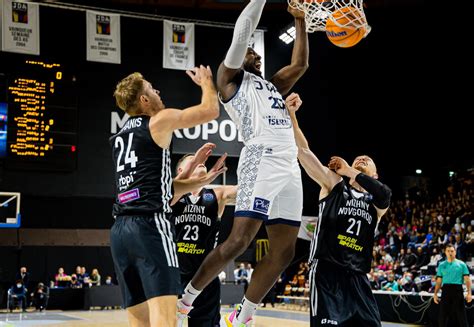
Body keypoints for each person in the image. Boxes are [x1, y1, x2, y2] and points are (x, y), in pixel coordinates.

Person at [177, 0, 309, 325]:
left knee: (284, 251)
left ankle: (244, 314)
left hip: (289, 163)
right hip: (260, 157)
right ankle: (185, 302)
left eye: (256, 52)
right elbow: (242, 33)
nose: (254, 52)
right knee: (238, 241)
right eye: (250, 51)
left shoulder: (272, 84)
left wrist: (301, 21)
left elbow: (301, 64)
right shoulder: (230, 81)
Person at [110, 66, 226, 327]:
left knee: (139, 322)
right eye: (152, 88)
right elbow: (211, 111)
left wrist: (198, 182)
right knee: (166, 320)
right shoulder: (158, 121)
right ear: (144, 100)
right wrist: (207, 82)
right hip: (150, 227)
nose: (158, 91)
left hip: (120, 232)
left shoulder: (120, 136)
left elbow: (157, 187)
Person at [286, 93, 392, 326]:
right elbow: (304, 153)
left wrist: (350, 170)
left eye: (367, 159)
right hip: (327, 273)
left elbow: (385, 194)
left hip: (358, 278)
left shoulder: (375, 202)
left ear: (375, 176)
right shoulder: (334, 185)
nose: (362, 157)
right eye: (358, 159)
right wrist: (292, 115)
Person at [172, 148, 237, 327]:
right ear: (181, 171)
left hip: (205, 275)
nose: (200, 160)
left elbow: (247, 192)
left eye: (202, 160)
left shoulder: (217, 194)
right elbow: (169, 189)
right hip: (174, 274)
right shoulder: (172, 196)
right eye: (193, 159)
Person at [433, 243, 472, 327]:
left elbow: (467, 280)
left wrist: (469, 293)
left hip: (457, 290)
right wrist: (435, 294)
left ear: (455, 252)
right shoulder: (441, 265)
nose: (450, 253)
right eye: (448, 251)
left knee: (461, 316)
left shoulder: (462, 264)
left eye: (452, 251)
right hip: (446, 290)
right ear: (445, 252)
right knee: (443, 316)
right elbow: (439, 281)